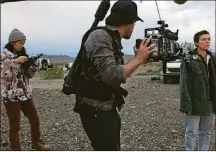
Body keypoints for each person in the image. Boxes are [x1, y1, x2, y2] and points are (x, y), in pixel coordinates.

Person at [72, 0, 156, 150]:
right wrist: (137, 60)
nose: (133, 27)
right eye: (134, 23)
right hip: (95, 109)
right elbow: (112, 76)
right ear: (129, 21)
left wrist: (138, 61)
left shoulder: (112, 38)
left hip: (105, 106)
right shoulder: (100, 37)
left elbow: (118, 73)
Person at [0, 28, 49, 151]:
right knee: (15, 126)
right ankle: (15, 149)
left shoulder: (23, 55)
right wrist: (16, 62)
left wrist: (32, 69)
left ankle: (36, 143)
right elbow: (5, 77)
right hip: (11, 96)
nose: (22, 46)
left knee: (35, 119)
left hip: (25, 94)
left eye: (23, 43)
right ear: (12, 42)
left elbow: (27, 76)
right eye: (20, 43)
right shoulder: (3, 57)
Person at [179, 30, 216, 151]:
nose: (207, 41)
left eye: (208, 39)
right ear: (196, 42)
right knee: (191, 132)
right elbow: (184, 84)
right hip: (194, 103)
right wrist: (186, 105)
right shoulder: (189, 60)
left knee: (206, 132)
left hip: (210, 103)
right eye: (203, 39)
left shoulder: (213, 59)